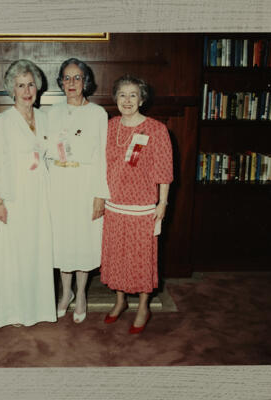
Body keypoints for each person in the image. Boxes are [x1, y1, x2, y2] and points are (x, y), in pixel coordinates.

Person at [101, 74, 173, 334]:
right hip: (114, 206)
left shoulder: (156, 129)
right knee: (117, 258)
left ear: (142, 99)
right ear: (115, 99)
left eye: (133, 95)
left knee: (141, 260)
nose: (127, 100)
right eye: (122, 94)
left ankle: (143, 305)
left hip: (143, 208)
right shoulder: (109, 126)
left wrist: (162, 203)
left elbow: (164, 171)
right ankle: (119, 301)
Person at [0, 59, 57, 327]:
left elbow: (51, 154)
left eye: (31, 84)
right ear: (12, 90)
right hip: (14, 195)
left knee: (39, 250)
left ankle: (39, 309)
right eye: (21, 85)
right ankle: (15, 312)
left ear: (38, 88)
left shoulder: (44, 117)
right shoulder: (3, 121)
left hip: (40, 193)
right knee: (15, 254)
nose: (27, 90)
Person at [46, 58, 109, 323]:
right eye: (67, 78)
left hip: (85, 183)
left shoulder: (98, 114)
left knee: (84, 240)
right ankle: (65, 293)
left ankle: (81, 294)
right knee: (61, 240)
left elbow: (102, 158)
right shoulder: (51, 112)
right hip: (58, 182)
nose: (72, 83)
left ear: (86, 81)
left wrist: (99, 194)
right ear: (61, 82)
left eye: (77, 78)